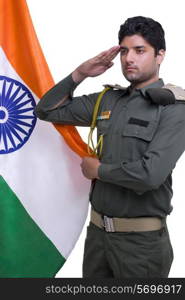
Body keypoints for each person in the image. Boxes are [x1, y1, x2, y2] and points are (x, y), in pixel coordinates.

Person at [35, 16, 185, 278]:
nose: (129, 59)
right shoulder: (107, 100)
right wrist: (80, 73)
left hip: (142, 246)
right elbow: (46, 110)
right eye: (124, 51)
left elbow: (151, 175)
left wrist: (99, 171)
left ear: (160, 55)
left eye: (140, 51)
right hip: (97, 238)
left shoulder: (172, 109)